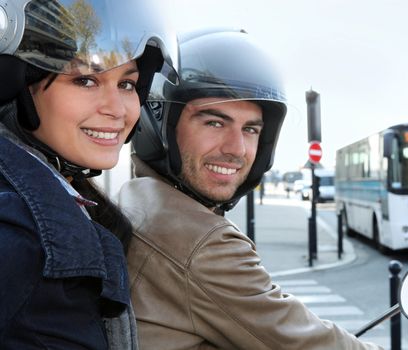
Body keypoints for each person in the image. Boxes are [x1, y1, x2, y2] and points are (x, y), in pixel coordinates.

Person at [118, 28, 382, 350]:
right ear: (160, 125)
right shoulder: (202, 243)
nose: (237, 149)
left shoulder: (137, 198)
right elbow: (310, 342)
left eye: (251, 130)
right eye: (214, 122)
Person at [0, 1, 175, 348]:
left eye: (127, 84)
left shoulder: (57, 201)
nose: (116, 109)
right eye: (86, 79)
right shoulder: (19, 238)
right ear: (20, 86)